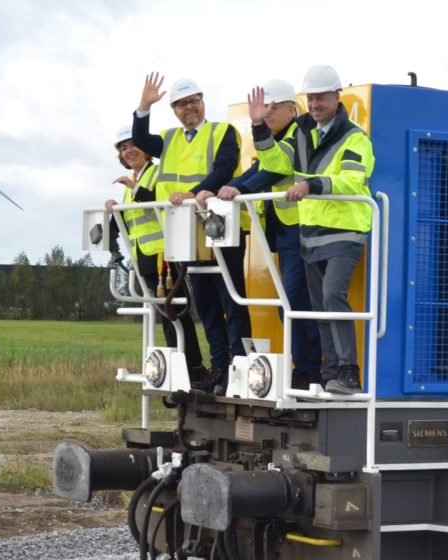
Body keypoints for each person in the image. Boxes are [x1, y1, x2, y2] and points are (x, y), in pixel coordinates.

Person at [245, 65, 373, 394]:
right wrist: (259, 126)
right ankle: (330, 372)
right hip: (311, 234)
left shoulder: (355, 138)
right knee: (318, 307)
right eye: (311, 98)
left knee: (332, 296)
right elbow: (276, 164)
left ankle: (348, 371)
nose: (315, 104)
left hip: (345, 232)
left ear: (337, 97)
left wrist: (311, 184)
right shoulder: (304, 134)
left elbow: (352, 180)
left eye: (321, 98)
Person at [130, 72, 247, 393]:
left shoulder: (223, 131)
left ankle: (239, 367)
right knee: (206, 305)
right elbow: (140, 140)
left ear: (202, 102)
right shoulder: (168, 139)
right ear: (174, 111)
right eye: (180, 105)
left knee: (231, 300)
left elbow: (224, 169)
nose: (187, 109)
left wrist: (194, 193)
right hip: (186, 232)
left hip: (220, 225)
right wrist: (143, 105)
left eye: (192, 102)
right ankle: (219, 369)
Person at [205, 79, 321, 389]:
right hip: (286, 232)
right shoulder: (276, 139)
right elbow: (257, 170)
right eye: (263, 110)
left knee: (294, 299)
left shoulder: (299, 133)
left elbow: (274, 170)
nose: (267, 115)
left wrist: (238, 189)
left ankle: (309, 369)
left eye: (272, 109)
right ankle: (306, 367)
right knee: (293, 300)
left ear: (291, 109)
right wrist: (218, 189)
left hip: (304, 229)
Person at [103, 125, 204, 379]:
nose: (128, 152)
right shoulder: (131, 184)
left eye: (132, 145)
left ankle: (192, 367)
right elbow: (131, 221)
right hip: (144, 257)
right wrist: (113, 210)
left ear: (147, 149)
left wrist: (134, 189)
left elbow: (155, 201)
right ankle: (181, 366)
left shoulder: (157, 174)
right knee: (165, 315)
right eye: (123, 148)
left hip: (163, 256)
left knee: (175, 312)